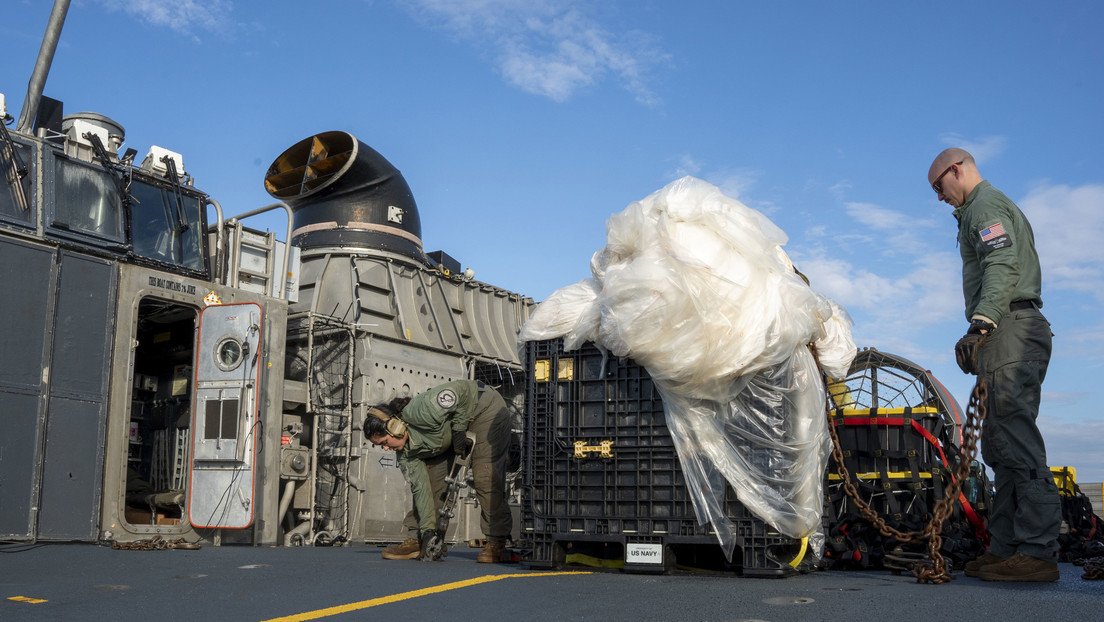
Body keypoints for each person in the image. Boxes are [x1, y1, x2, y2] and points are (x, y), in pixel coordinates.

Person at [928, 148, 1061, 582]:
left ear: (957, 170)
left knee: (1016, 439)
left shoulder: (984, 206)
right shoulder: (979, 210)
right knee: (1000, 443)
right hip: (1008, 329)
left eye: (939, 186)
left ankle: (1037, 551)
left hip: (1011, 326)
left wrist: (981, 324)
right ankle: (1006, 547)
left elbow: (1002, 262)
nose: (940, 196)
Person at [366, 379, 513, 563]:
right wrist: (428, 530)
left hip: (484, 410)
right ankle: (422, 539)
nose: (386, 448)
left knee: (485, 476)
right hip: (448, 433)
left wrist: (459, 428)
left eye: (384, 442)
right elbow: (421, 490)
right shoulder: (405, 454)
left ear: (394, 427)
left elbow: (462, 391)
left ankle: (497, 541)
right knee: (431, 480)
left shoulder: (421, 409)